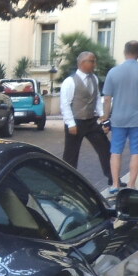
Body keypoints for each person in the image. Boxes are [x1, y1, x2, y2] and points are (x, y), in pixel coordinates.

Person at [101, 40, 138, 193]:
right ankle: (131, 184)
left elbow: (107, 99)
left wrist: (106, 117)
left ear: (124, 52)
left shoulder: (113, 72)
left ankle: (115, 184)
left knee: (116, 151)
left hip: (118, 119)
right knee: (135, 152)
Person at [60, 51, 111, 180]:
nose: (95, 64)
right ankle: (67, 181)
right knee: (71, 155)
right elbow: (65, 104)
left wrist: (102, 116)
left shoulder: (94, 78)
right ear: (83, 63)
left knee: (105, 148)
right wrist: (70, 124)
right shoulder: (69, 81)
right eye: (92, 61)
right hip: (76, 122)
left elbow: (97, 98)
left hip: (92, 122)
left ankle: (112, 177)